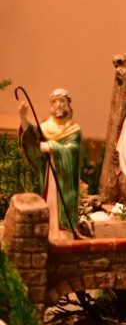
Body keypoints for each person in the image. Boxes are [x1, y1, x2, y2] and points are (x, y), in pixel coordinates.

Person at [18, 88, 83, 235]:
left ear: (68, 104)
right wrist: (23, 118)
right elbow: (34, 139)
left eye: (62, 101)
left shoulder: (74, 129)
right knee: (49, 203)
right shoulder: (46, 127)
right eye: (54, 101)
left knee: (60, 206)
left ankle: (64, 231)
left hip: (64, 177)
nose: (58, 105)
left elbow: (72, 149)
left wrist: (51, 146)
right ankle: (49, 231)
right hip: (48, 174)